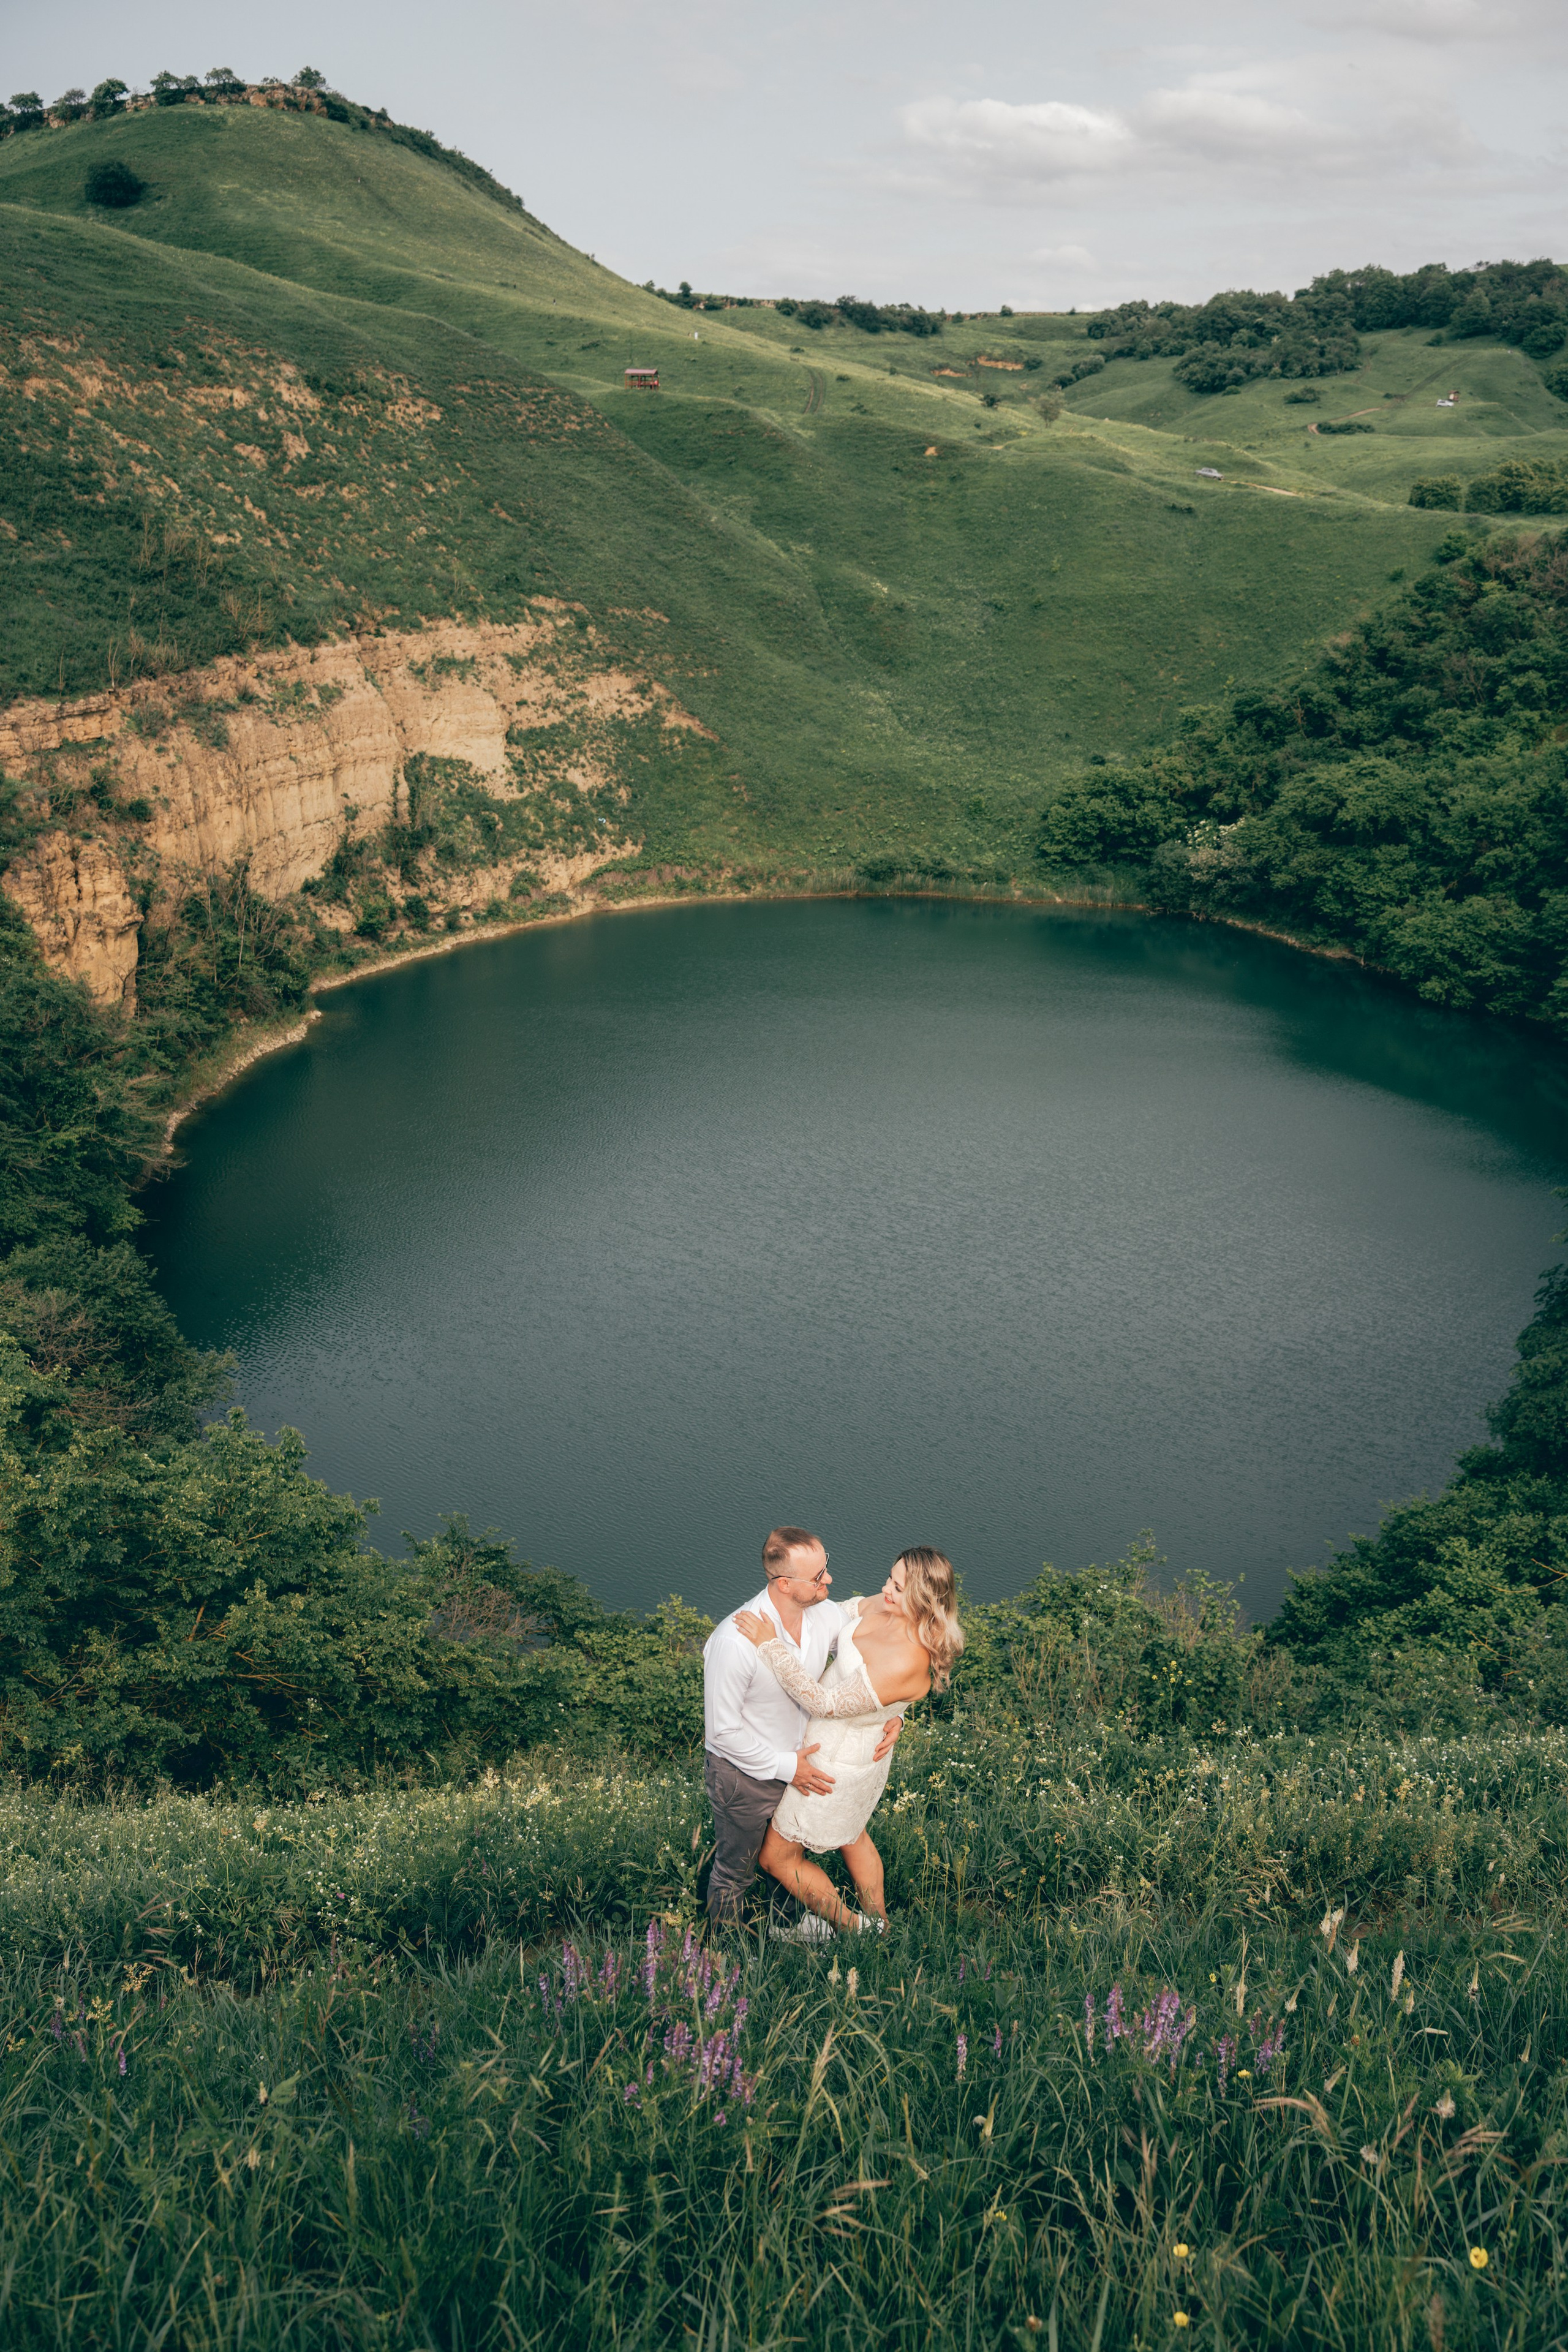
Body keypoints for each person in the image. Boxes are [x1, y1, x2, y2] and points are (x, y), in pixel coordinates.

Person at [733, 1545, 962, 1932]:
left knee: (777, 1859)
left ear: (924, 1599)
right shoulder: (887, 1606)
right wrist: (897, 1715)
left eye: (900, 1587)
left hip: (836, 1761)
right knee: (853, 1834)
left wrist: (770, 1646)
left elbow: (824, 1703)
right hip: (849, 1746)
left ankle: (854, 1928)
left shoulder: (907, 1656)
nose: (887, 1589)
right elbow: (834, 1616)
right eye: (891, 1578)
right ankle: (881, 1927)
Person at [701, 1526, 904, 1933]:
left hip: (802, 1762)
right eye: (818, 1577)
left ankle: (788, 1928)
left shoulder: (822, 1615)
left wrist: (896, 1713)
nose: (828, 1579)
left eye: (827, 1569)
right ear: (784, 1584)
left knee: (782, 1855)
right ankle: (721, 1955)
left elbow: (871, 1658)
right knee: (736, 1869)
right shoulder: (733, 1643)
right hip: (747, 1775)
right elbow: (722, 1734)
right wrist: (787, 1766)